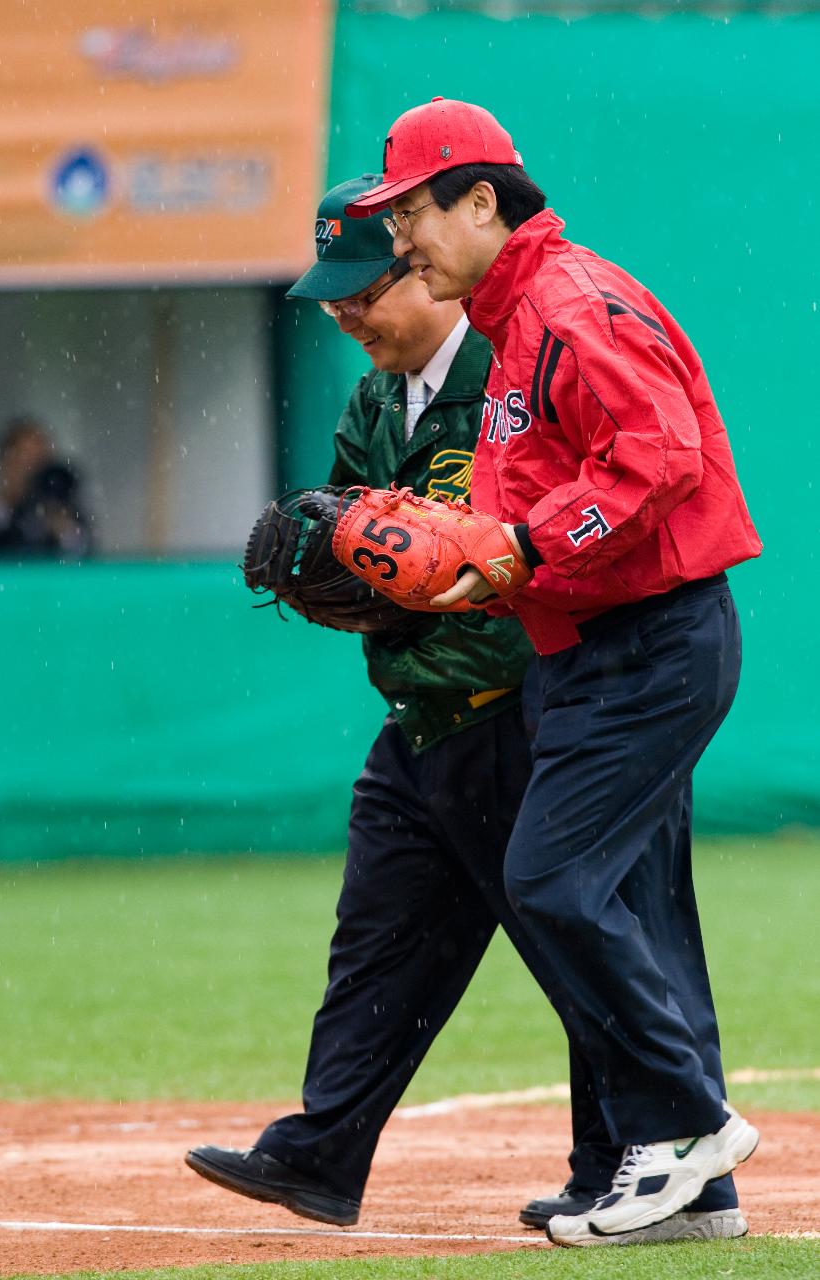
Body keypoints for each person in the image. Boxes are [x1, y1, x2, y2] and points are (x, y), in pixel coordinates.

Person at [345, 100, 762, 1247]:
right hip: (592, 646)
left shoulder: (565, 304)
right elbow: (525, 501)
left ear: (483, 200)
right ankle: (694, 1191)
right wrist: (453, 546)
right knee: (623, 899)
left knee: (550, 878)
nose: (402, 242)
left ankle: (682, 1126)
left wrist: (524, 547)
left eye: (414, 214)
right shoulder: (516, 315)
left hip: (651, 636)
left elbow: (659, 455)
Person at [186, 174, 603, 1231]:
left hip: (523, 715)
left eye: (360, 289)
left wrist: (405, 597)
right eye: (328, 294)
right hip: (420, 723)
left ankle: (633, 1163)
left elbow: (533, 562)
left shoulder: (511, 380)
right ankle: (319, 1154)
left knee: (583, 948)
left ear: (425, 270)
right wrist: (321, 574)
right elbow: (350, 561)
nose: (340, 311)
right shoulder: (375, 401)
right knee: (377, 939)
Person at [0, 415, 94, 557]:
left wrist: (60, 522)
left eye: (40, 461)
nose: (33, 470)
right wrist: (5, 500)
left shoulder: (63, 509)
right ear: (6, 463)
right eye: (24, 460)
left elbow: (85, 555)